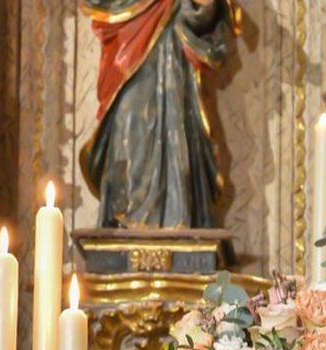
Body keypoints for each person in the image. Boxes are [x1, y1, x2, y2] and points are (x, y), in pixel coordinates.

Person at [79, 0, 238, 230]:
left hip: (172, 47)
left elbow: (203, 13)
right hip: (128, 41)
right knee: (129, 124)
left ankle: (176, 213)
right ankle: (125, 214)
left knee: (176, 130)